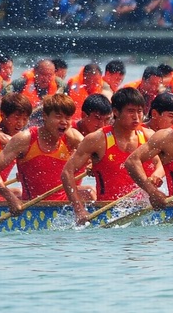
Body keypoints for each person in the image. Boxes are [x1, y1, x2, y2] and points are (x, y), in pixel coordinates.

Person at [61, 88, 157, 224]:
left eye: (140, 111)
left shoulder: (149, 136)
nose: (136, 116)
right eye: (131, 111)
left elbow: (160, 165)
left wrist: (157, 176)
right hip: (108, 213)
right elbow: (67, 172)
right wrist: (79, 209)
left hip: (145, 210)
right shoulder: (97, 139)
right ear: (116, 112)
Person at [0, 94, 87, 215]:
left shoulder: (72, 137)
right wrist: (10, 198)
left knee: (89, 191)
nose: (64, 122)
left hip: (64, 207)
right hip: (33, 208)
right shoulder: (25, 139)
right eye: (58, 117)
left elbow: (97, 155)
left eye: (68, 118)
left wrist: (93, 165)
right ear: (45, 116)